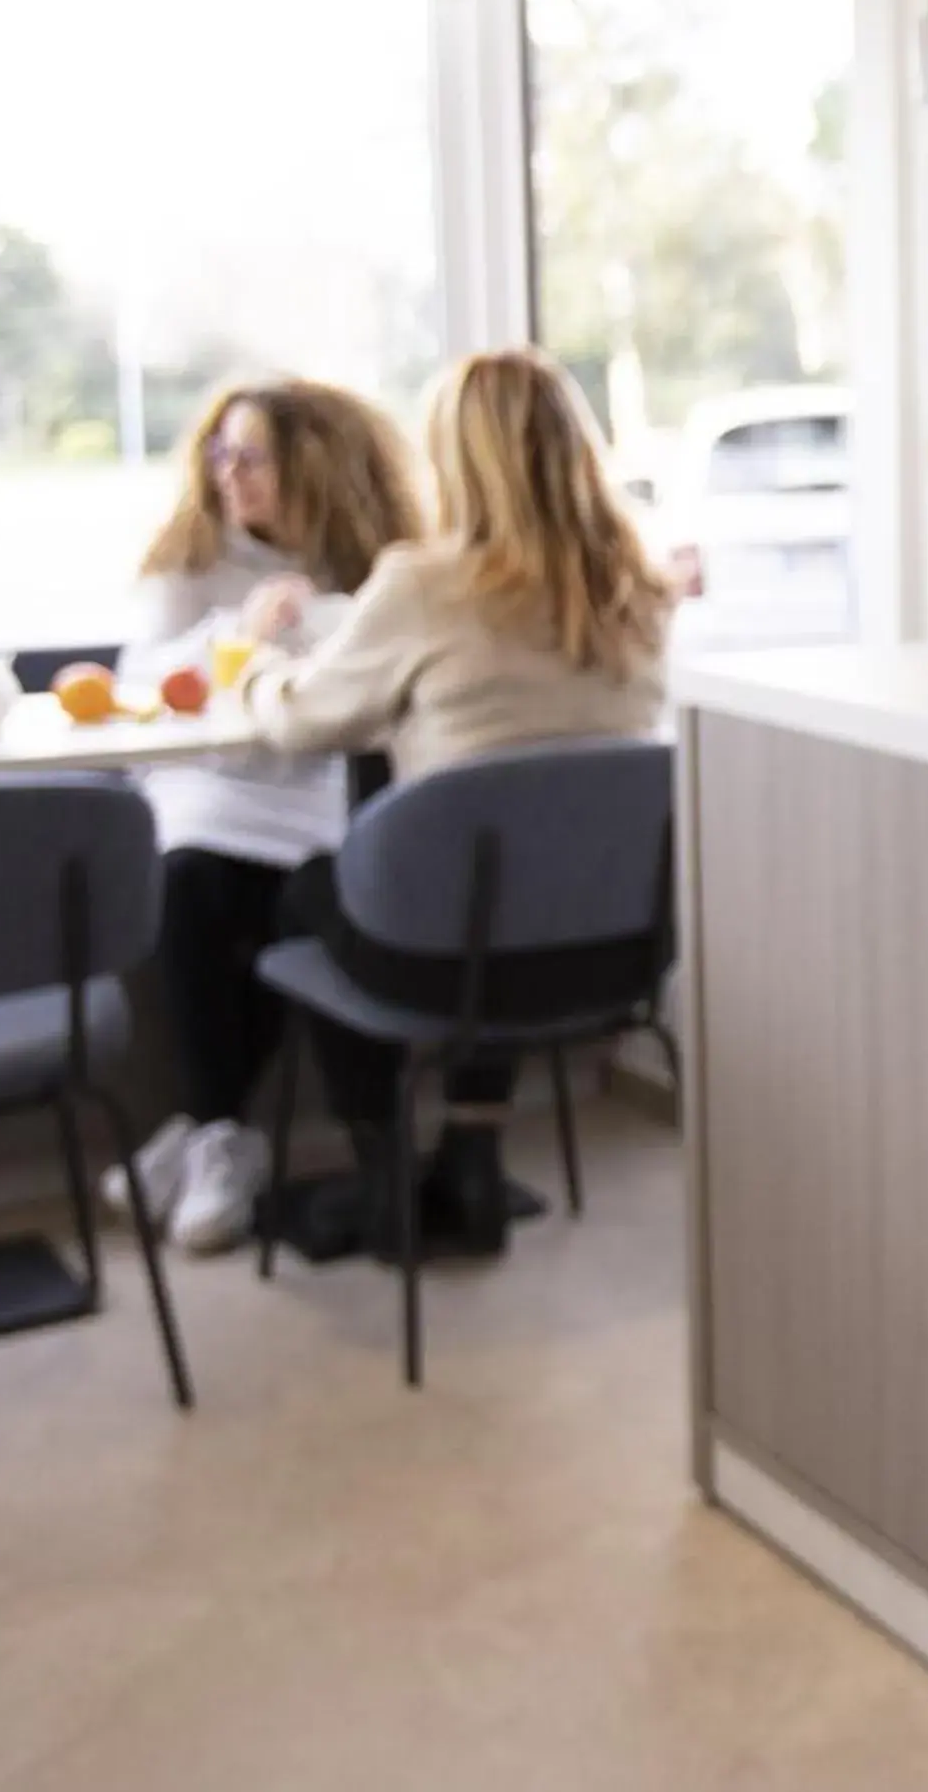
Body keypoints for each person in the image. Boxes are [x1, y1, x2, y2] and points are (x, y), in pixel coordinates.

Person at [241, 346, 673, 1257]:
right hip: (612, 956)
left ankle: (382, 1171)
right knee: (501, 884)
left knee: (310, 896)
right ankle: (473, 1156)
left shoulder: (424, 583)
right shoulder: (639, 587)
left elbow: (302, 724)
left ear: (454, 460)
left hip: (448, 959)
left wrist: (257, 669)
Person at [112, 381, 424, 1254]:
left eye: (253, 456)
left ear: (311, 468)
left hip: (321, 791)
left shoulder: (379, 568)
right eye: (219, 455)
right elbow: (146, 695)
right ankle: (218, 1132)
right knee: (198, 885)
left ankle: (206, 1133)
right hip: (209, 789)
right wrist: (235, 636)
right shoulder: (189, 560)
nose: (229, 474)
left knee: (301, 902)